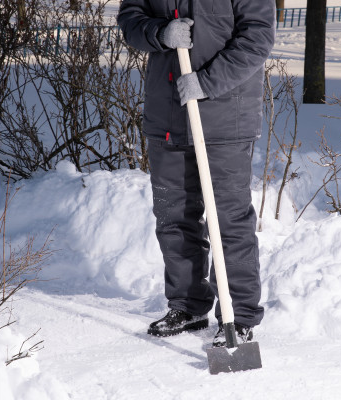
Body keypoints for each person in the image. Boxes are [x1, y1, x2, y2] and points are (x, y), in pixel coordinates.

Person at [117, 0, 275, 347]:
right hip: (168, 116)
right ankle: (187, 305)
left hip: (225, 118)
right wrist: (160, 33)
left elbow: (258, 37)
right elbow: (130, 19)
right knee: (173, 216)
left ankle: (239, 316)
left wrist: (207, 82)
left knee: (228, 221)